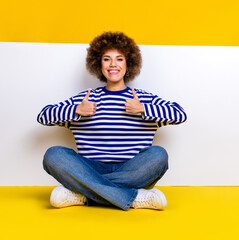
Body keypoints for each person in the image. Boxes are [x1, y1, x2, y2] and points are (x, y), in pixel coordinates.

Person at [37, 32, 187, 210]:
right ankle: (134, 197)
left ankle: (83, 194)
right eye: (107, 59)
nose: (113, 64)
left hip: (133, 170)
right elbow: (43, 116)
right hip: (91, 168)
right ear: (99, 64)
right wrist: (76, 110)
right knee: (53, 155)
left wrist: (143, 109)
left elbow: (180, 114)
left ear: (128, 64)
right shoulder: (86, 98)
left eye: (119, 59)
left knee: (158, 155)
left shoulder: (142, 98)